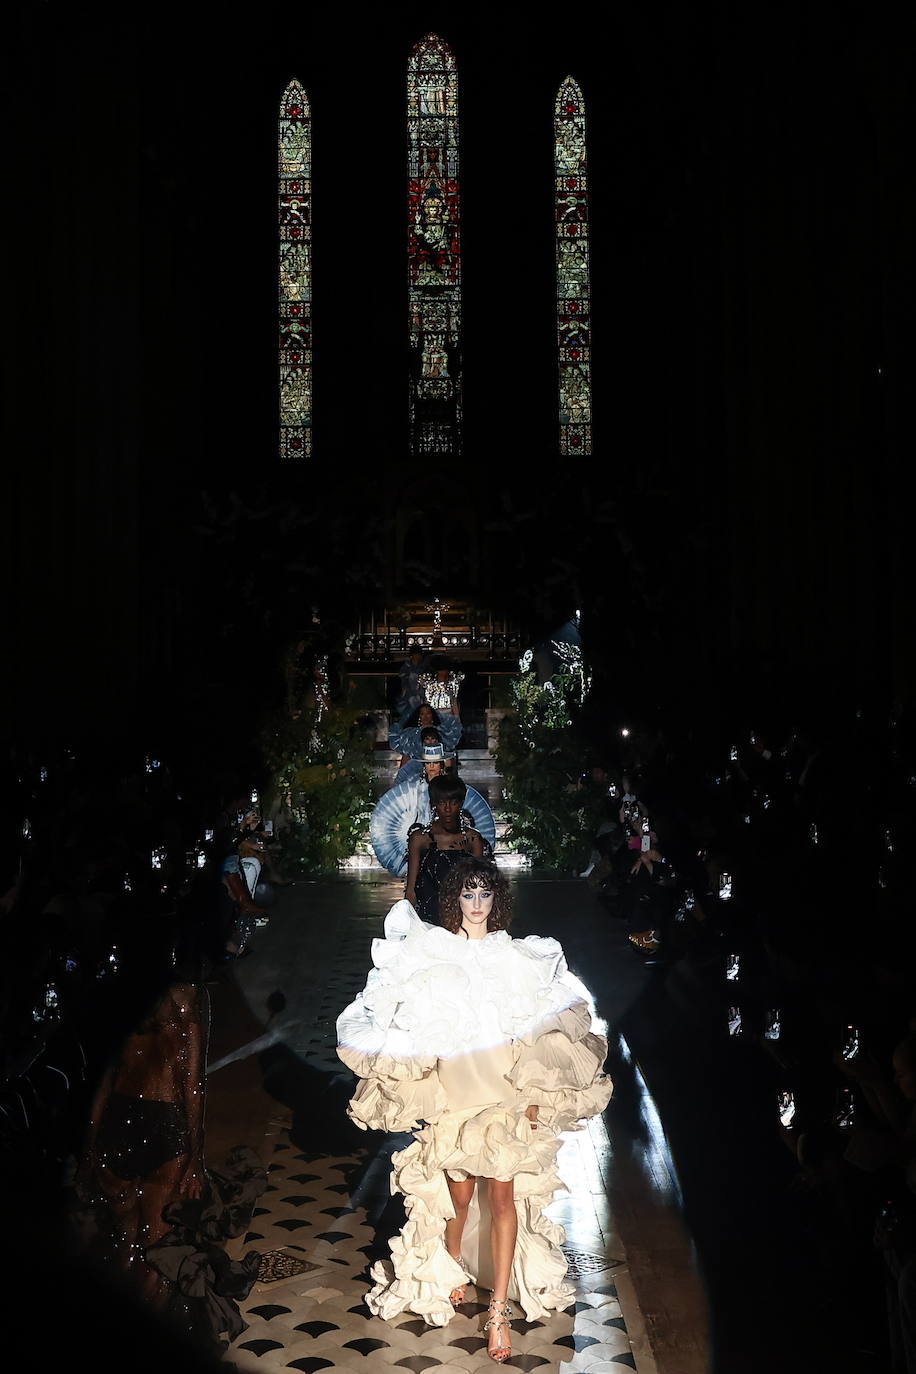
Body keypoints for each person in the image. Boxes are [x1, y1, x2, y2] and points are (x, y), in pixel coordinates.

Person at [336, 858, 612, 1360]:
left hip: (503, 1095)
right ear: (454, 901)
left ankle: (499, 1311)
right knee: (458, 1202)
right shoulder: (435, 954)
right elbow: (412, 1024)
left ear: (497, 899)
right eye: (468, 895)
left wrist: (531, 1097)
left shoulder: (517, 956)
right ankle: (452, 1265)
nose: (478, 904)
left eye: (485, 894)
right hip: (457, 1099)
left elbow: (536, 1029)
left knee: (504, 1203)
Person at [406, 774, 486, 922]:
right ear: (434, 803)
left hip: (463, 909)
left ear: (461, 803)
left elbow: (479, 886)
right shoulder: (419, 838)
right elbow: (411, 890)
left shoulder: (472, 839)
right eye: (442, 802)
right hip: (428, 909)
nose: (447, 808)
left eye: (453, 802)